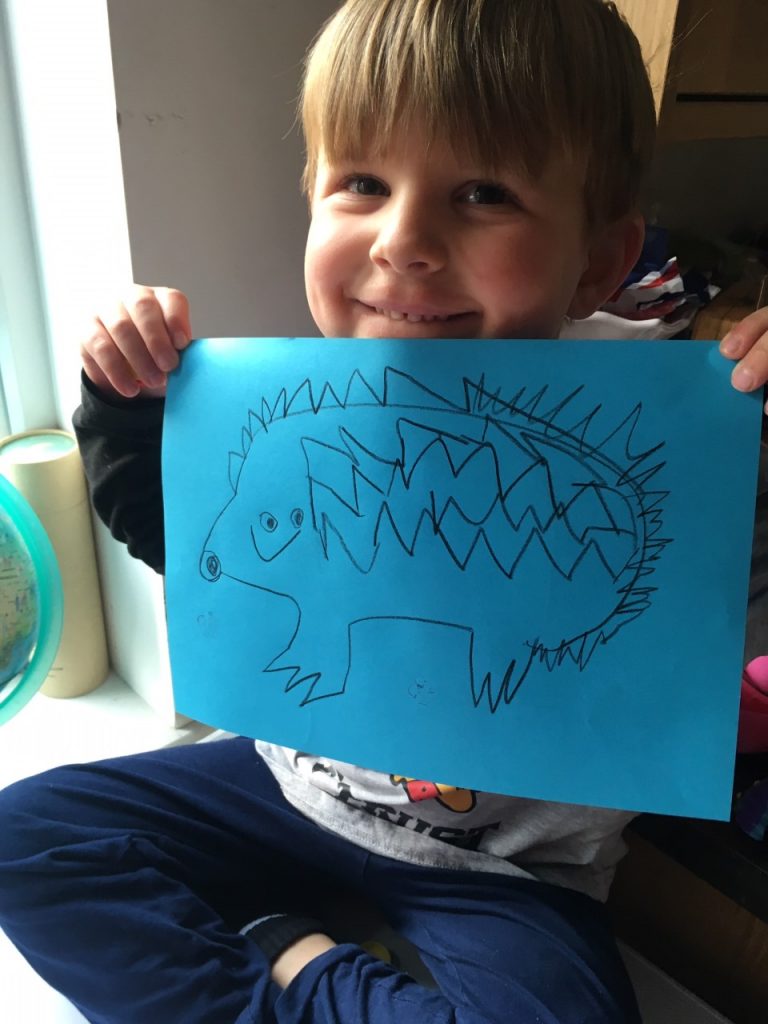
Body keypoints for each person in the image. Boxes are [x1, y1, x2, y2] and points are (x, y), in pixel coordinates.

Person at [2, 1, 768, 1021]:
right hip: (281, 789)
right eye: (363, 182)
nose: (404, 241)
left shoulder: (667, 445)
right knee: (28, 838)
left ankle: (291, 954)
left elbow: (723, 616)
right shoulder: (285, 419)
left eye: (484, 193)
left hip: (507, 871)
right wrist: (127, 403)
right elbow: (185, 543)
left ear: (598, 258)